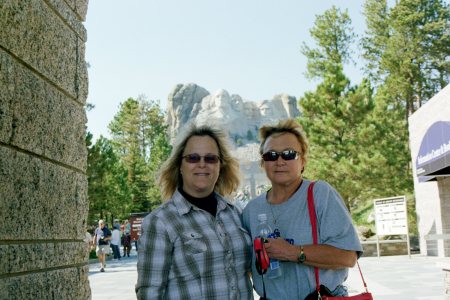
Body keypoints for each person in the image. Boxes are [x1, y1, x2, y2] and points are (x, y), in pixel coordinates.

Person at [242, 119, 363, 299]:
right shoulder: (251, 210)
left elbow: (348, 257)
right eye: (271, 155)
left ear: (303, 161)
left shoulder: (320, 194)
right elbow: (247, 266)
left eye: (289, 154)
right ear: (263, 164)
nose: (280, 161)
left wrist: (293, 252)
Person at [135, 123, 253, 300]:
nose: (202, 164)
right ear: (180, 166)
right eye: (193, 158)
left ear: (220, 166)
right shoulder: (160, 222)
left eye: (211, 158)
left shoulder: (235, 214)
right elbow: (149, 293)